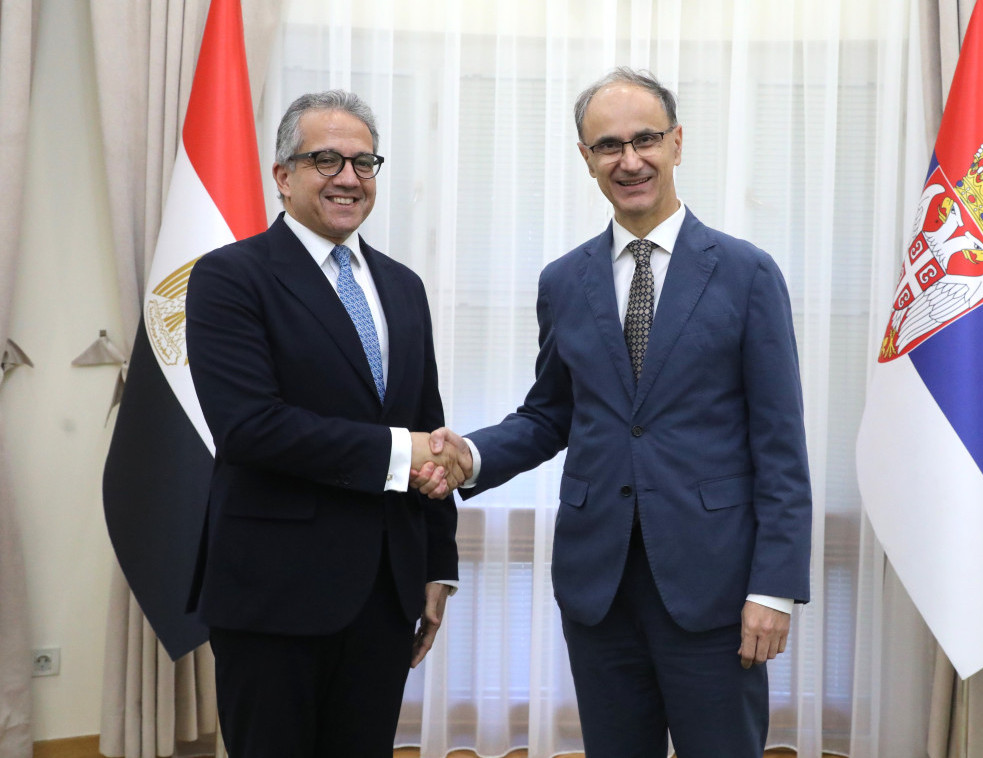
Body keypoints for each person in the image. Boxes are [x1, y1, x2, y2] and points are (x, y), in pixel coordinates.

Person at [415, 68, 812, 757]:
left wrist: (774, 589)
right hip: (598, 588)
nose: (629, 161)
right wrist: (469, 456)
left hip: (714, 588)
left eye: (645, 140)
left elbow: (781, 444)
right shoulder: (564, 281)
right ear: (586, 157)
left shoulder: (747, 274)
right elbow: (549, 415)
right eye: (608, 146)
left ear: (677, 143)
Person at [185, 89, 466, 758]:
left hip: (386, 595)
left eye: (364, 162)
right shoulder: (230, 277)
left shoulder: (403, 286)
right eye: (326, 160)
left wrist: (438, 565)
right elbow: (250, 426)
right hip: (274, 595)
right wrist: (400, 451)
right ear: (283, 176)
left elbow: (429, 427)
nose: (349, 177)